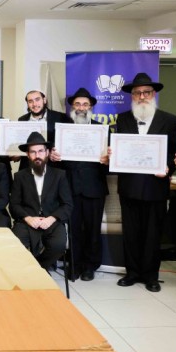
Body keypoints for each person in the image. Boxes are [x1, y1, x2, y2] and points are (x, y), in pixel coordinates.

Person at [113, 73, 176, 292]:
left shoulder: (170, 120)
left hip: (155, 187)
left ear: (154, 94)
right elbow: (120, 149)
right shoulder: (122, 119)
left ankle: (151, 276)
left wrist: (168, 167)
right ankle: (132, 273)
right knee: (130, 233)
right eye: (137, 93)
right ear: (132, 96)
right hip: (129, 186)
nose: (142, 97)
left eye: (146, 92)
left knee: (153, 234)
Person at [51, 87, 109, 282]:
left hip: (94, 187)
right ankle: (74, 264)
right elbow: (56, 162)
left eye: (85, 104)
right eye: (77, 104)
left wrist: (108, 160)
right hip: (70, 187)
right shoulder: (62, 130)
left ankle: (90, 266)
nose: (81, 108)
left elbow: (111, 163)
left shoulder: (102, 130)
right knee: (73, 229)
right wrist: (53, 157)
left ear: (91, 107)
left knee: (93, 229)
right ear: (72, 108)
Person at [11, 132, 73, 272]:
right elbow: (14, 205)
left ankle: (37, 269)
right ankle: (35, 272)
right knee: (15, 245)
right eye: (33, 152)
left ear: (47, 153)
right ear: (28, 155)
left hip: (52, 221)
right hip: (27, 222)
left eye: (40, 151)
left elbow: (67, 205)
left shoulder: (59, 175)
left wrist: (51, 218)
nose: (37, 155)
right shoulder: (20, 176)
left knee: (58, 245)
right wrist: (28, 218)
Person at [14, 90, 71, 170]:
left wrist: (52, 152)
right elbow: (21, 143)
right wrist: (16, 153)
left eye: (37, 99)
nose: (34, 104)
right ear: (27, 104)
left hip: (53, 168)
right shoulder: (22, 120)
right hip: (28, 168)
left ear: (44, 100)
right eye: (30, 101)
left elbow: (68, 142)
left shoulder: (61, 117)